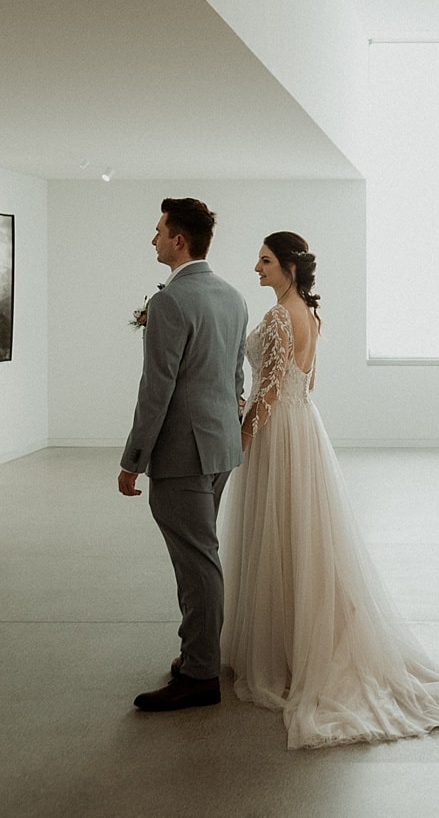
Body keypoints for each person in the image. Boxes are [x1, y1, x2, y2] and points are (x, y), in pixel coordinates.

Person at [220, 231, 439, 748]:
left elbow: (272, 387)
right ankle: (301, 643)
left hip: (279, 431)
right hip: (304, 428)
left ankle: (280, 654)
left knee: (278, 537)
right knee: (304, 538)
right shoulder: (310, 315)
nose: (257, 268)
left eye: (266, 261)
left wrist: (246, 430)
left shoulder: (279, 315)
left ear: (289, 268)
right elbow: (306, 383)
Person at [118, 198, 249, 712]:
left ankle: (200, 674)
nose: (152, 240)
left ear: (179, 240)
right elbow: (236, 375)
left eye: (158, 231)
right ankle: (197, 653)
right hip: (220, 446)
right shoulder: (233, 296)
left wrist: (134, 459)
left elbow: (157, 388)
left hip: (182, 452)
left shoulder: (171, 301)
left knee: (196, 562)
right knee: (200, 555)